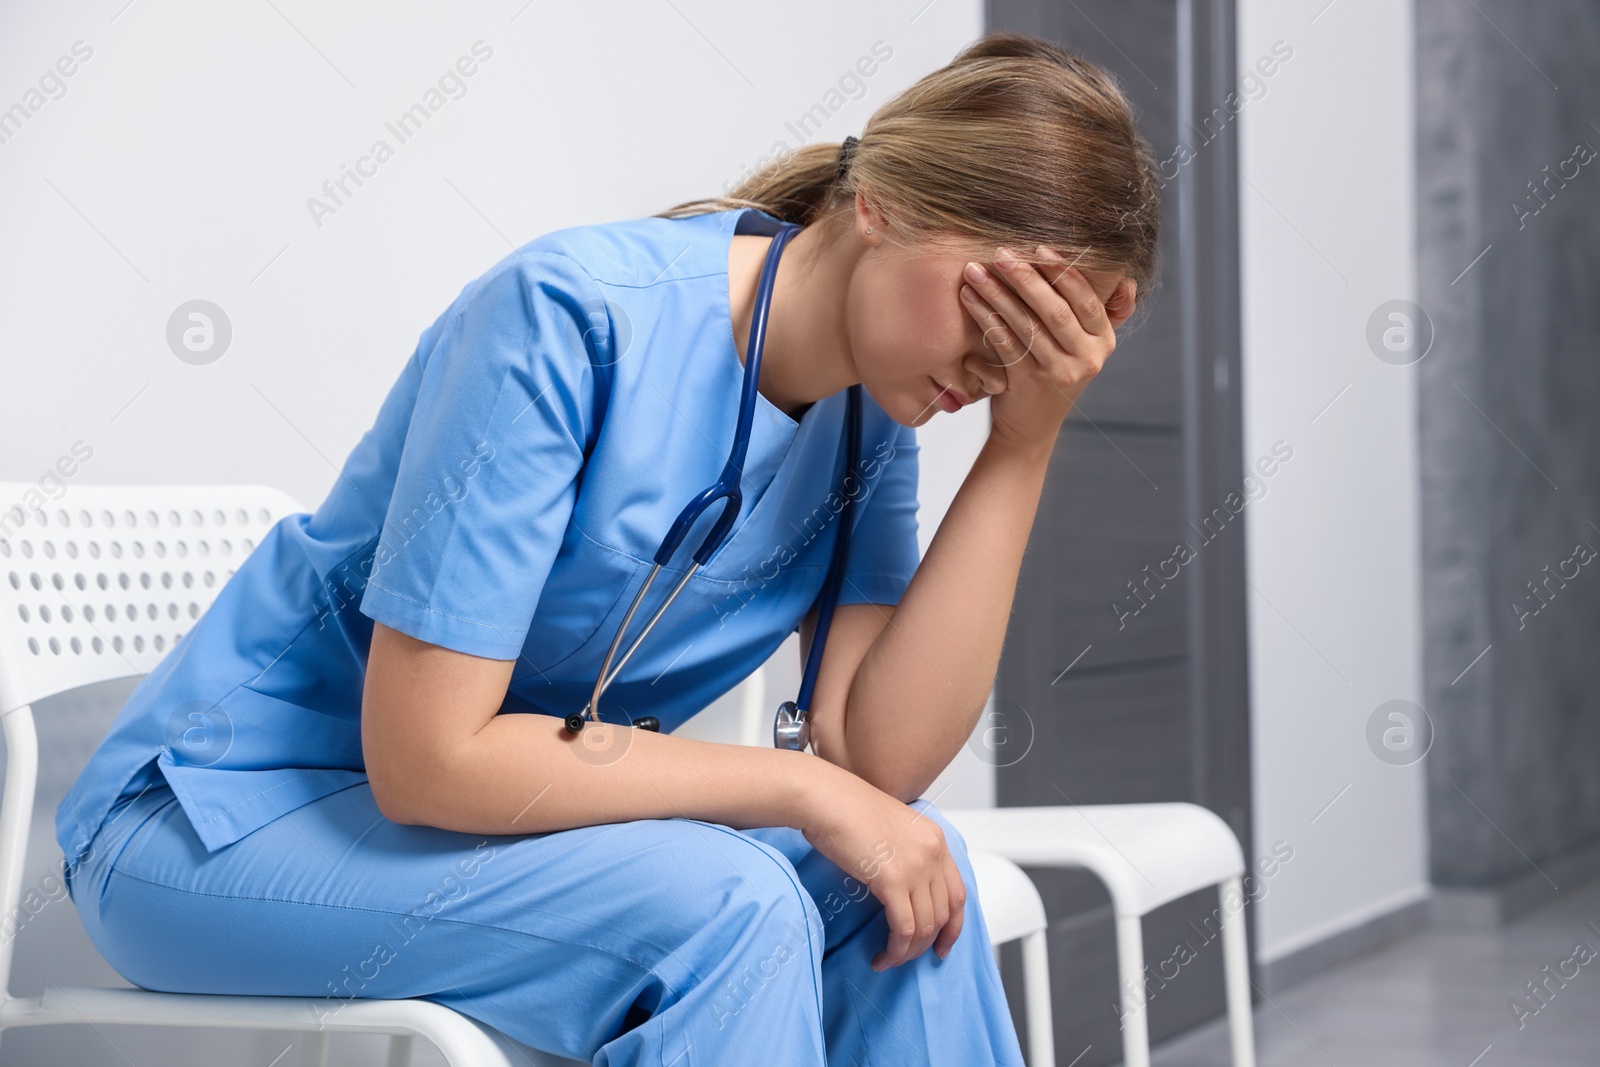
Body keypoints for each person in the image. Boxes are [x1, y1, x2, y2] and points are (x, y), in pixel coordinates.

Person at [56, 29, 1158, 1066]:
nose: (1004, 358)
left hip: (470, 831)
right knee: (732, 909)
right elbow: (428, 757)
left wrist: (1023, 442)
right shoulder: (568, 315)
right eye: (1001, 304)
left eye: (1047, 338)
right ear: (882, 205)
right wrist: (792, 789)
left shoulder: (871, 417)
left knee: (909, 881)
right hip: (219, 822)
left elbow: (881, 764)